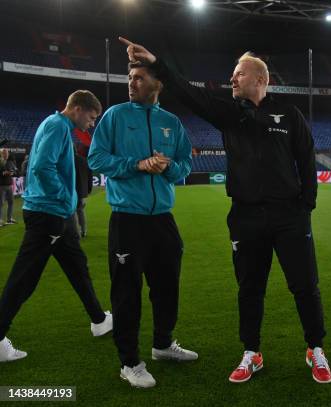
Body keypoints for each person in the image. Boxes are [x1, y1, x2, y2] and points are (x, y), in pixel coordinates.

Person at [119, 37, 331, 384]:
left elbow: (306, 161)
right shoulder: (229, 114)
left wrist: (305, 205)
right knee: (249, 288)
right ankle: (252, 352)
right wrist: (156, 63)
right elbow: (189, 93)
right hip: (246, 217)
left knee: (306, 285)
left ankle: (316, 349)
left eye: (239, 74)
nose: (232, 79)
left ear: (261, 79)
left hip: (289, 217)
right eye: (233, 74)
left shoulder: (289, 114)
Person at [88, 62, 196, 389]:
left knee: (167, 287)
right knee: (126, 293)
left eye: (139, 78)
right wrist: (136, 165)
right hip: (127, 219)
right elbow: (97, 159)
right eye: (130, 78)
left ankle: (163, 344)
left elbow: (185, 167)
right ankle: (130, 362)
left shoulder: (171, 122)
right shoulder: (116, 116)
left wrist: (167, 167)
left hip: (163, 219)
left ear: (157, 84)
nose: (132, 83)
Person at [0, 90, 113, 363]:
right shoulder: (55, 126)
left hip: (57, 214)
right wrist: (64, 197)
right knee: (24, 278)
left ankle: (99, 320)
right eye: (91, 117)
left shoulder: (59, 126)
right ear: (76, 108)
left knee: (78, 267)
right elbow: (41, 168)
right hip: (48, 213)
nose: (92, 123)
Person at [73, 143, 92, 238]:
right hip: (83, 192)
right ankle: (83, 231)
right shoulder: (84, 161)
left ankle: (76, 233)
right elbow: (89, 177)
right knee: (80, 211)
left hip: (72, 191)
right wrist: (88, 190)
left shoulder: (67, 161)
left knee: (72, 212)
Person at [0, 148, 18, 226]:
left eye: (7, 153)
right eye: (4, 153)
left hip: (9, 185)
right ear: (1, 154)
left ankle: (9, 219)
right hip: (1, 186)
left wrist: (13, 171)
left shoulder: (10, 162)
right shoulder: (0, 162)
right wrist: (6, 173)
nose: (6, 154)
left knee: (11, 202)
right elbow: (3, 173)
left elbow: (16, 170)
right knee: (1, 203)